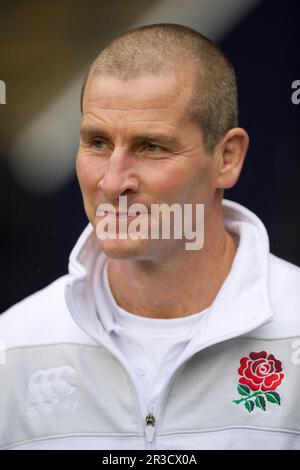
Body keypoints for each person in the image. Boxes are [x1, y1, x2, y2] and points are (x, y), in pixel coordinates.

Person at [0, 23, 299, 451]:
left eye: (151, 147)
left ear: (227, 158)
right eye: (98, 142)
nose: (113, 181)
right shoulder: (13, 346)